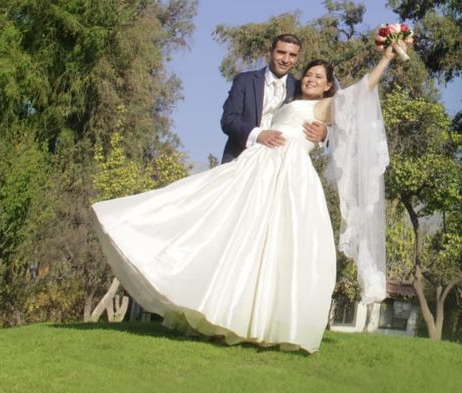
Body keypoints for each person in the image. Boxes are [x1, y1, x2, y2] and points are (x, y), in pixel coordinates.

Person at [92, 43, 398, 353]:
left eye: (318, 76)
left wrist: (385, 59)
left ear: (329, 85)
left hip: (288, 177)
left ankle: (265, 322)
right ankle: (217, 310)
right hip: (256, 166)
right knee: (228, 234)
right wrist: (260, 135)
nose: (309, 78)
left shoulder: (325, 105)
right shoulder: (277, 90)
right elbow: (231, 121)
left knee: (278, 249)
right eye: (308, 73)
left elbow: (360, 93)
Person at [220, 33, 327, 164]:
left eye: (292, 55)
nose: (286, 60)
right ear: (270, 52)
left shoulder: (300, 87)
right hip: (239, 158)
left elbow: (323, 111)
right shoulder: (245, 81)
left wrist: (325, 133)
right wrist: (259, 135)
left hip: (280, 164)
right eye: (281, 52)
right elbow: (228, 120)